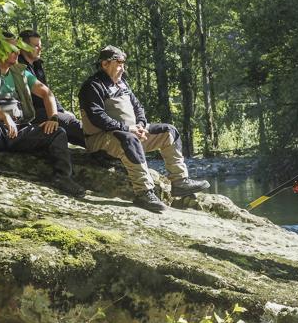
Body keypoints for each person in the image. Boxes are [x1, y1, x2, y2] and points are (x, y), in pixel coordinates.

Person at [78, 45, 210, 212]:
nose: (122, 67)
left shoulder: (122, 83)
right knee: (130, 139)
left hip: (129, 135)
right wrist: (127, 128)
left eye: (123, 63)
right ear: (105, 64)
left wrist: (140, 125)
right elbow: (97, 117)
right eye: (119, 63)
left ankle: (179, 182)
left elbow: (138, 106)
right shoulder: (92, 86)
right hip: (100, 141)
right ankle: (144, 193)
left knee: (169, 131)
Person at [0, 31, 85, 197]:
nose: (18, 52)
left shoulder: (21, 72)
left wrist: (53, 118)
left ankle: (62, 177)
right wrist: (4, 116)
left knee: (58, 132)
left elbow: (47, 93)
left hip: (18, 130)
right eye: (13, 48)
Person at [18, 29, 85, 147]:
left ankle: (101, 150)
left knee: (72, 125)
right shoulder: (18, 67)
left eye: (40, 45)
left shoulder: (37, 65)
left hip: (44, 110)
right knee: (70, 124)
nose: (40, 48)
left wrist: (61, 110)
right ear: (24, 47)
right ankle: (105, 147)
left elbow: (49, 93)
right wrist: (55, 115)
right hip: (30, 113)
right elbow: (42, 95)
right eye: (36, 46)